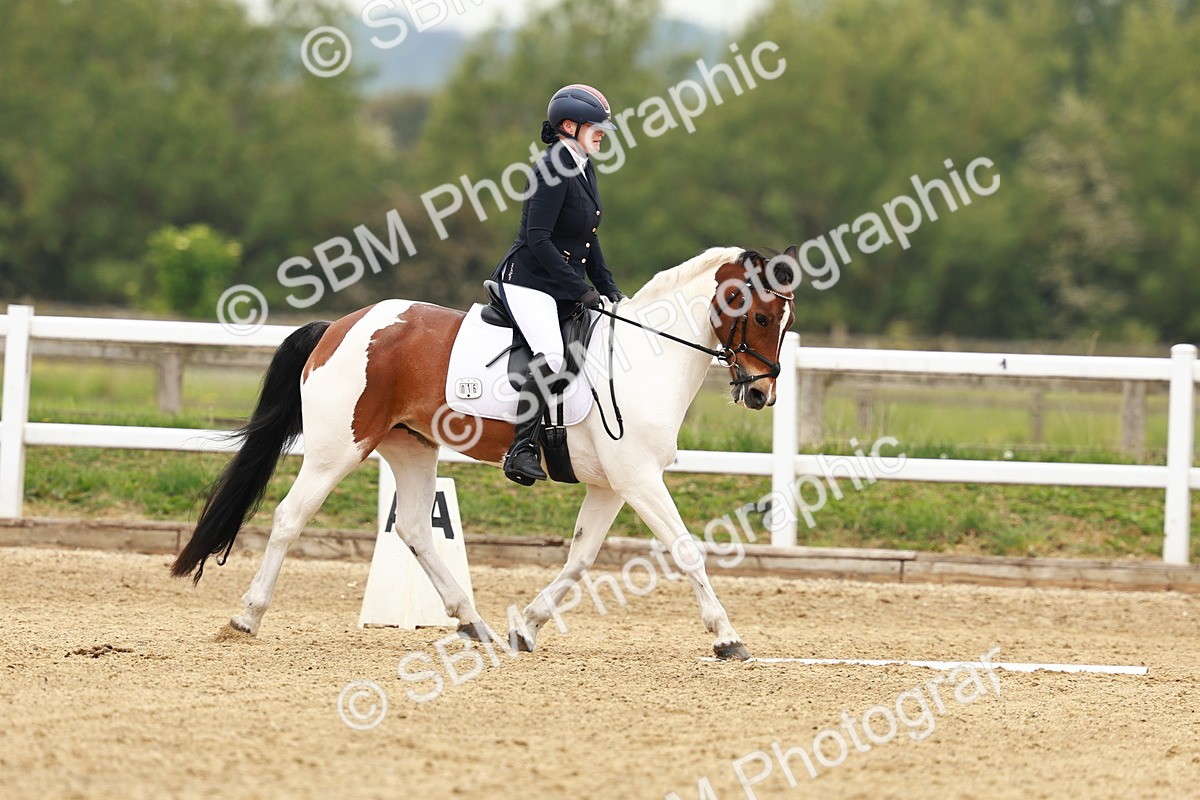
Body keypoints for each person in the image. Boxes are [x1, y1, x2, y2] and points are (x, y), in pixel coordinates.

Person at [491, 84, 626, 485]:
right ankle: (522, 448)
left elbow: (589, 238)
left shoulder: (583, 165)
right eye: (595, 126)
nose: (602, 133)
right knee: (552, 355)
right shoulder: (552, 167)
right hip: (530, 283)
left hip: (558, 286)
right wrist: (579, 288)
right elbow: (539, 238)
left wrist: (610, 289)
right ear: (569, 126)